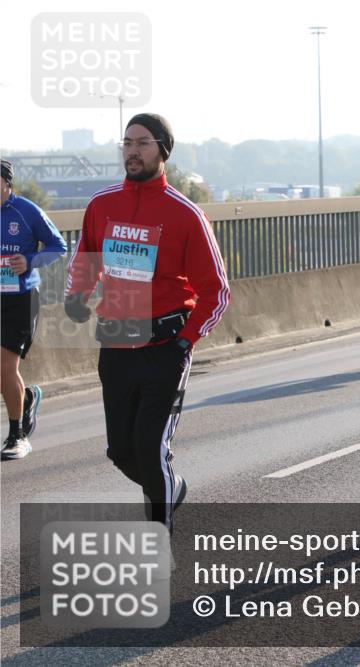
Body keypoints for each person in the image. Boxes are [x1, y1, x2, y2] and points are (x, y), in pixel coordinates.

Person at [64, 113, 231, 530]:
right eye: (126, 143)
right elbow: (85, 261)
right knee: (121, 451)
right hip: (116, 339)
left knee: (151, 447)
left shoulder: (185, 214)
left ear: (163, 150)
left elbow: (217, 291)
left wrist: (186, 340)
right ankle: (170, 488)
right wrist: (77, 297)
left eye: (142, 143)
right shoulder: (102, 205)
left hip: (165, 345)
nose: (132, 151)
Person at [1, 159, 67, 459]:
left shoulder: (26, 211)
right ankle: (25, 399)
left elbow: (57, 246)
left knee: (4, 365)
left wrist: (29, 261)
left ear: (6, 182)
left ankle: (17, 435)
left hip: (21, 298)